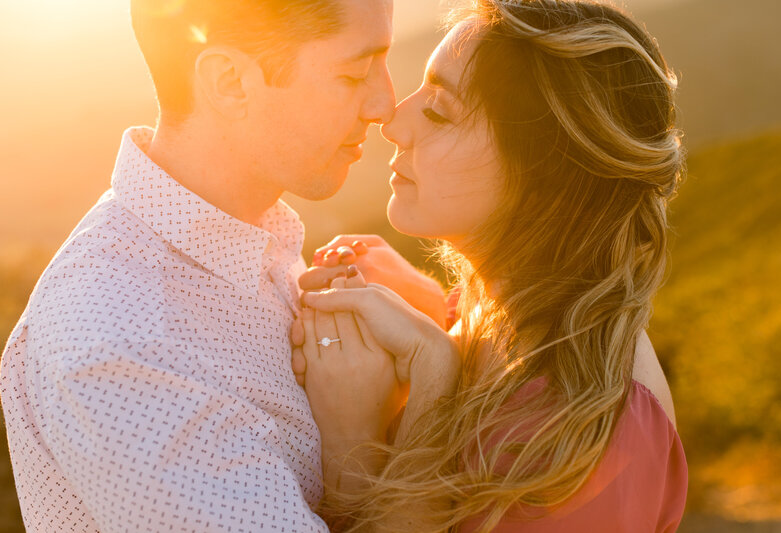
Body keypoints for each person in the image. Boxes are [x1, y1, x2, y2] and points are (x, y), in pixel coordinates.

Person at [0, 0, 437, 531]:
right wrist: (429, 385)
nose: (384, 105)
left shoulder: (254, 240)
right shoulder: (118, 339)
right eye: (354, 72)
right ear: (229, 81)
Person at [293, 0, 688, 531]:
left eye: (437, 110)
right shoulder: (509, 314)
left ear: (544, 177)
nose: (392, 120)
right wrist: (434, 309)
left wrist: (353, 447)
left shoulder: (575, 443)